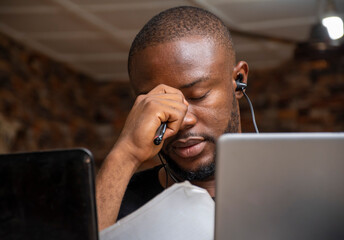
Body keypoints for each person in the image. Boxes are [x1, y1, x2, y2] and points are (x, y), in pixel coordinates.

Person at [95, 6, 249, 231]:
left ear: (238, 80)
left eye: (198, 96)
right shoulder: (114, 202)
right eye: (160, 103)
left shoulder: (297, 190)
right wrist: (125, 153)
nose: (182, 120)